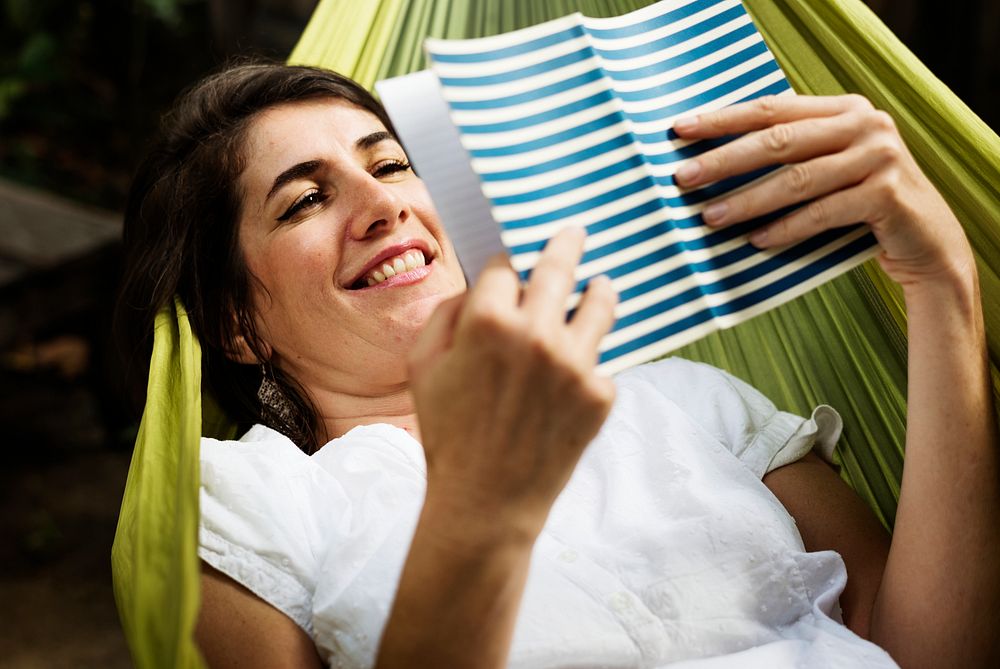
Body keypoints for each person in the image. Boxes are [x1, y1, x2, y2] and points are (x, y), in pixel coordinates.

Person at [115, 62, 999, 668]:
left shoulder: (687, 398)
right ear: (237, 323)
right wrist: (484, 499)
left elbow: (929, 653)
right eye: (307, 198)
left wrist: (943, 284)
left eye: (392, 163)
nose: (385, 203)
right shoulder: (236, 503)